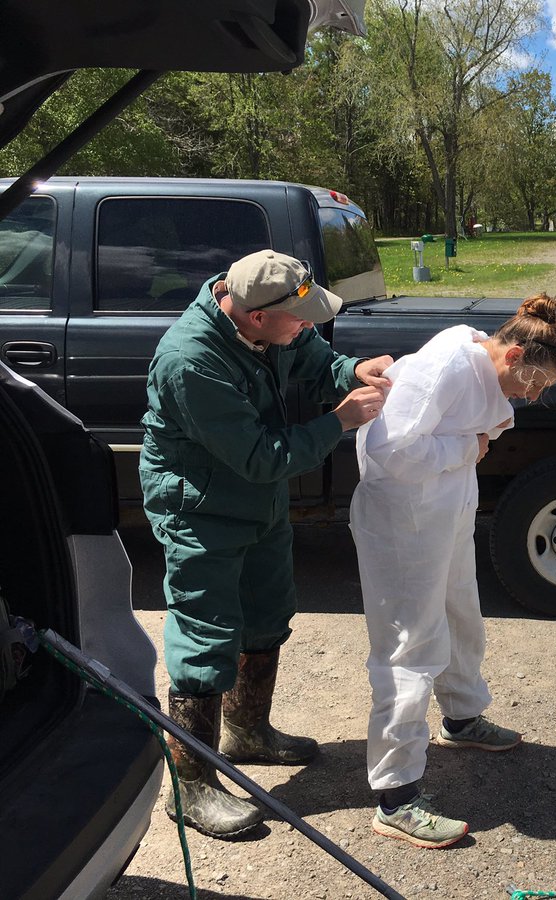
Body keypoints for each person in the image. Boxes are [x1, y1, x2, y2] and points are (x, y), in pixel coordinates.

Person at [140, 249, 393, 838]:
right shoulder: (191, 361)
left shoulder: (269, 325)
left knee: (267, 614)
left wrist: (352, 371)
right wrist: (341, 419)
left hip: (258, 501)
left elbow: (310, 354)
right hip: (201, 509)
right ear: (256, 317)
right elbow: (260, 456)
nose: (308, 325)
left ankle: (248, 732)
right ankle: (190, 783)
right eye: (299, 316)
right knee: (206, 637)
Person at [350, 292, 556, 849]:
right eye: (534, 383)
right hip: (404, 520)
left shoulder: (480, 355)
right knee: (410, 644)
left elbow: (480, 429)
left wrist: (469, 446)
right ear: (515, 353)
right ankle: (396, 795)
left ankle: (462, 718)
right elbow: (388, 450)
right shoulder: (449, 366)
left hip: (444, 510)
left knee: (460, 614)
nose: (533, 396)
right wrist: (469, 445)